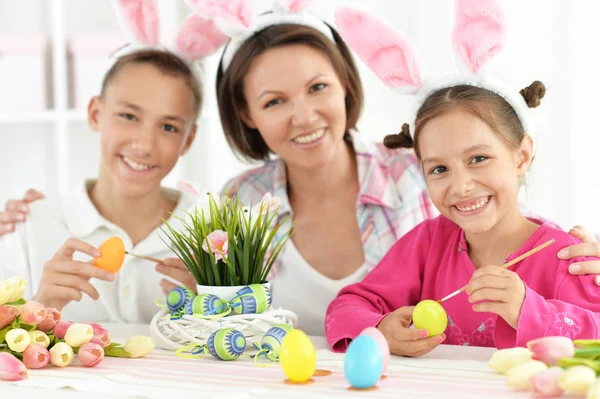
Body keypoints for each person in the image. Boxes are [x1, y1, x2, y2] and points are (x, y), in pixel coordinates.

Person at [2, 1, 600, 335]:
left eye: (317, 87)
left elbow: (507, 226)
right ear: (246, 115)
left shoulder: (422, 175)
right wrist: (44, 216)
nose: (304, 114)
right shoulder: (238, 205)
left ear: (345, 84)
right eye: (273, 101)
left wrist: (576, 262)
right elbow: (229, 316)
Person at [325, 4, 600, 355]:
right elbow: (344, 309)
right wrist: (380, 328)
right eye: (439, 169)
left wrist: (528, 311)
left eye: (478, 159)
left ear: (522, 155)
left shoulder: (565, 255)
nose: (461, 185)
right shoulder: (426, 245)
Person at [0, 0, 226, 322]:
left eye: (168, 127)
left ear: (188, 140)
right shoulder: (30, 228)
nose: (144, 145)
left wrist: (215, 309)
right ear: (95, 114)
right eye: (129, 116)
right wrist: (40, 303)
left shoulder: (215, 234)